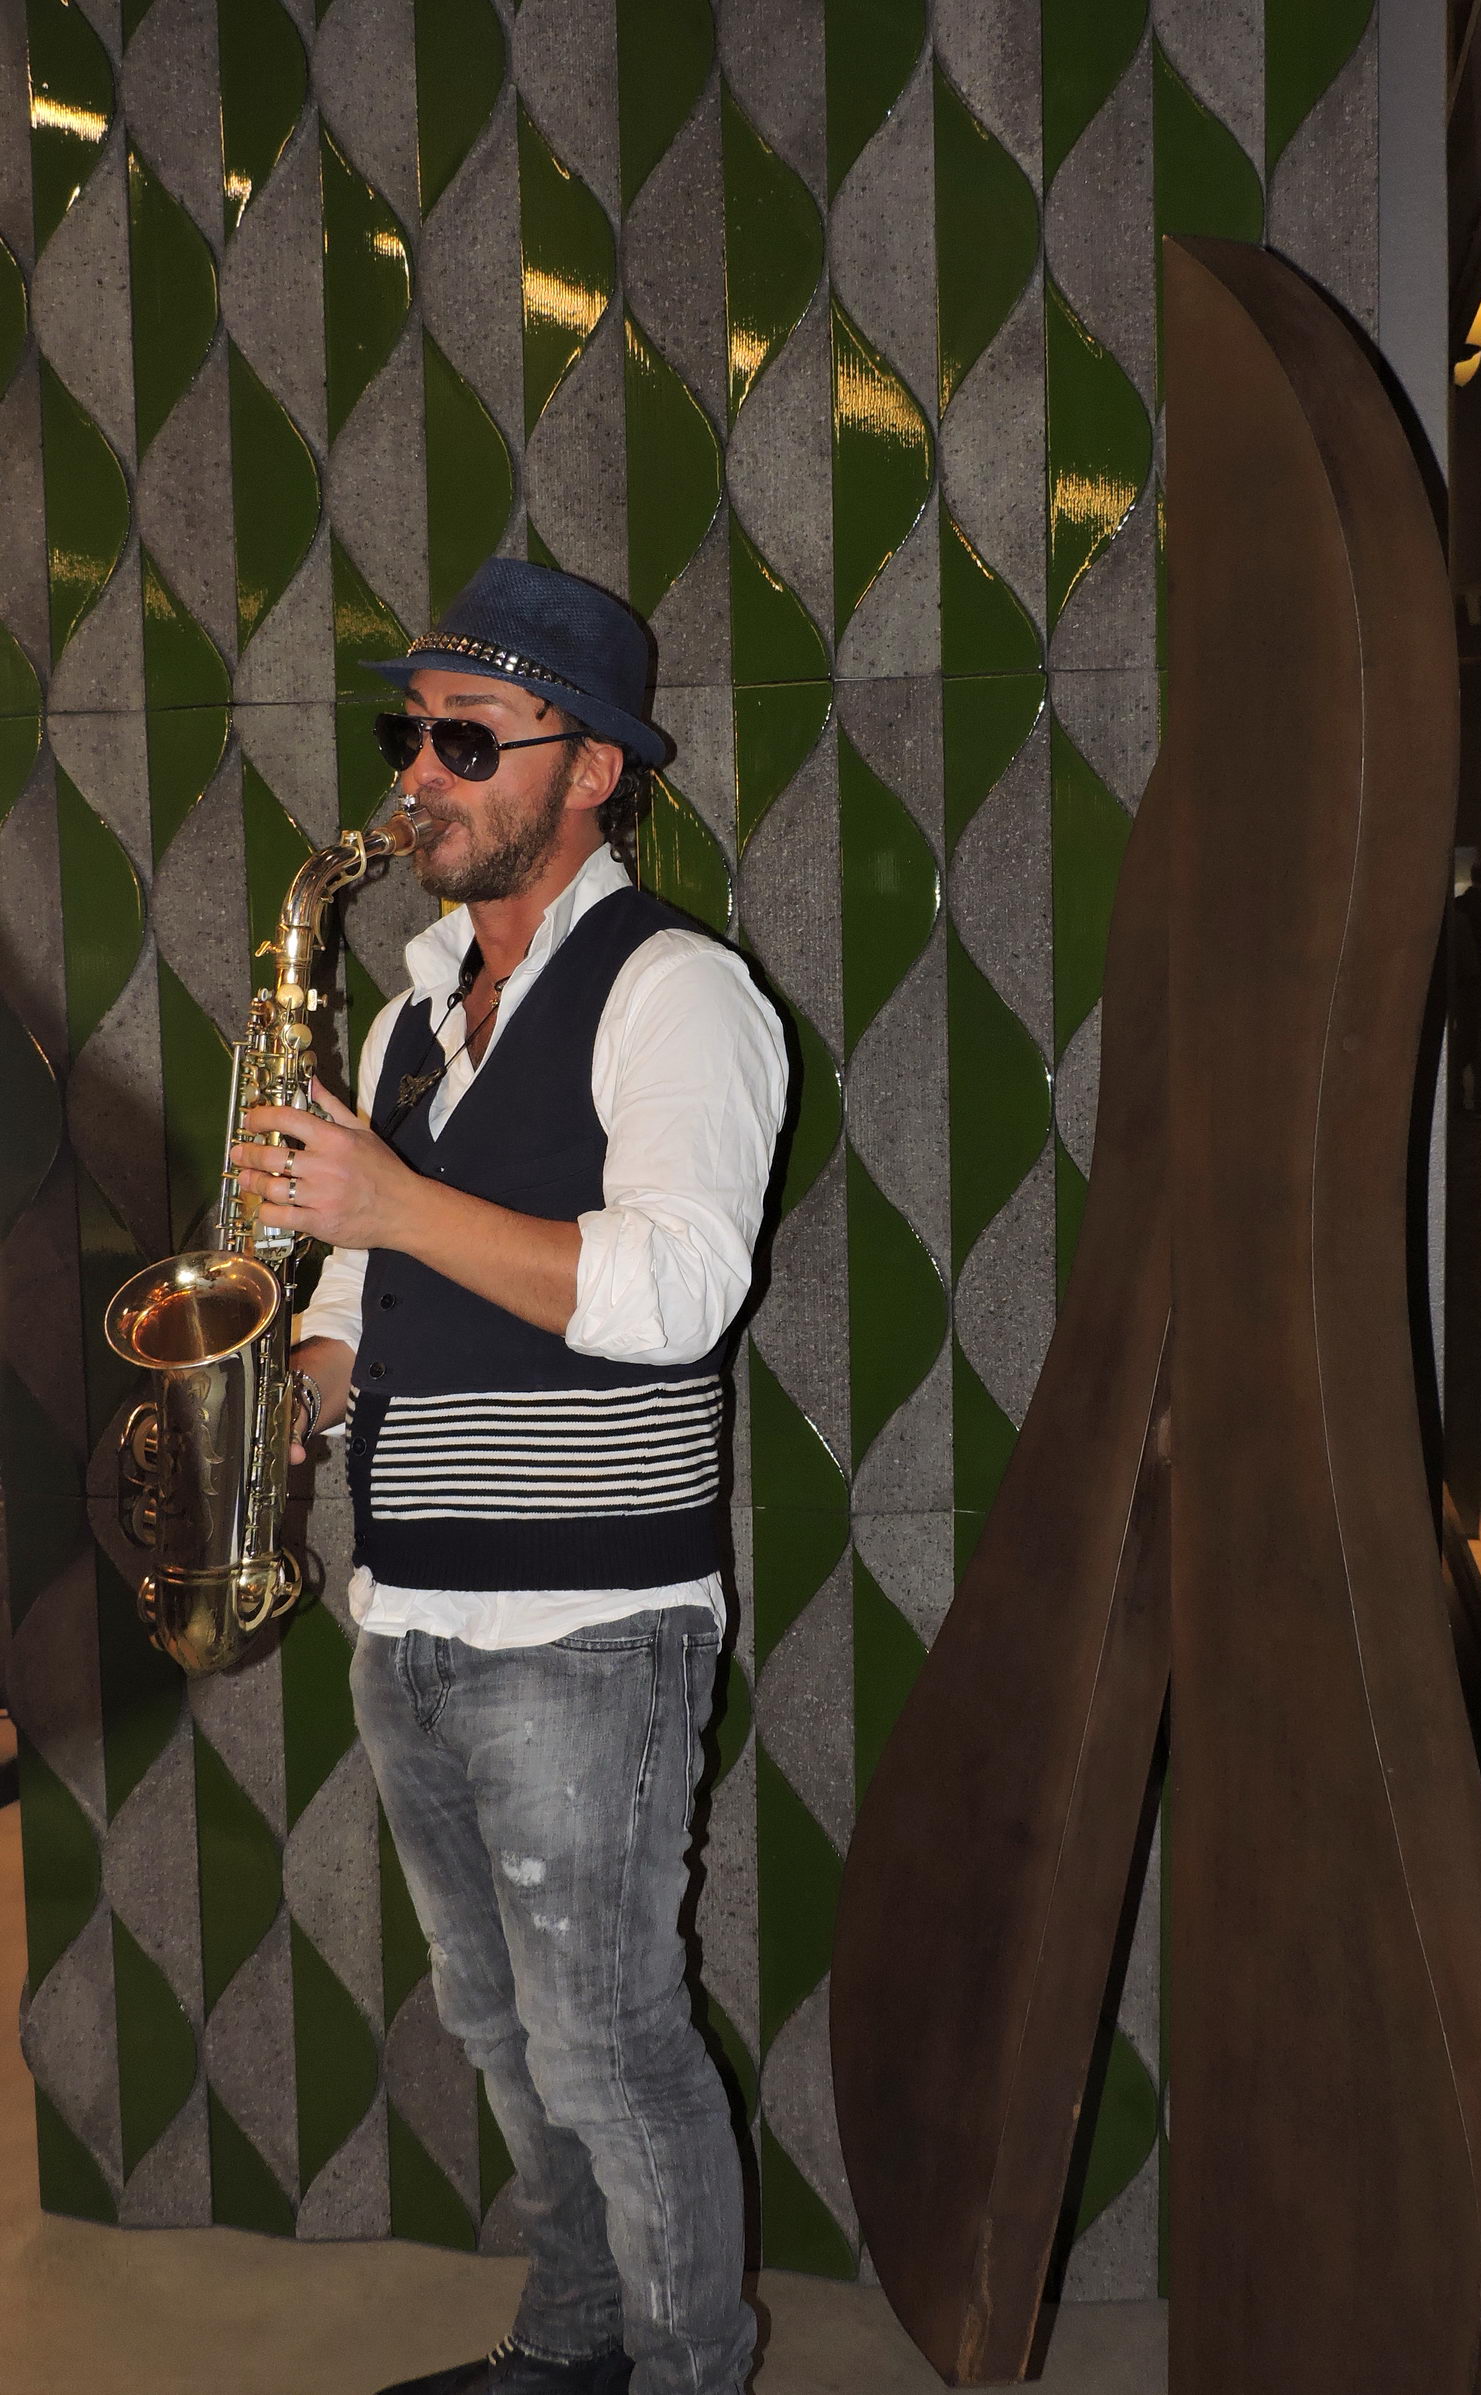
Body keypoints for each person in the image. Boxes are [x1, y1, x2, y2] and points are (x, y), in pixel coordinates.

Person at [231, 559, 786, 2395]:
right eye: (410, 734)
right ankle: (567, 2349)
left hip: (590, 1625)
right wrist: (299, 1396)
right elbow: (368, 1292)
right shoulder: (409, 1015)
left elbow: (679, 1292)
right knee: (502, 2030)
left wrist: (390, 1200)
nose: (419, 775)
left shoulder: (679, 993)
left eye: (469, 740)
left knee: (611, 2049)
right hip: (413, 1611)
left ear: (593, 767)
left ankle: (692, 2374)